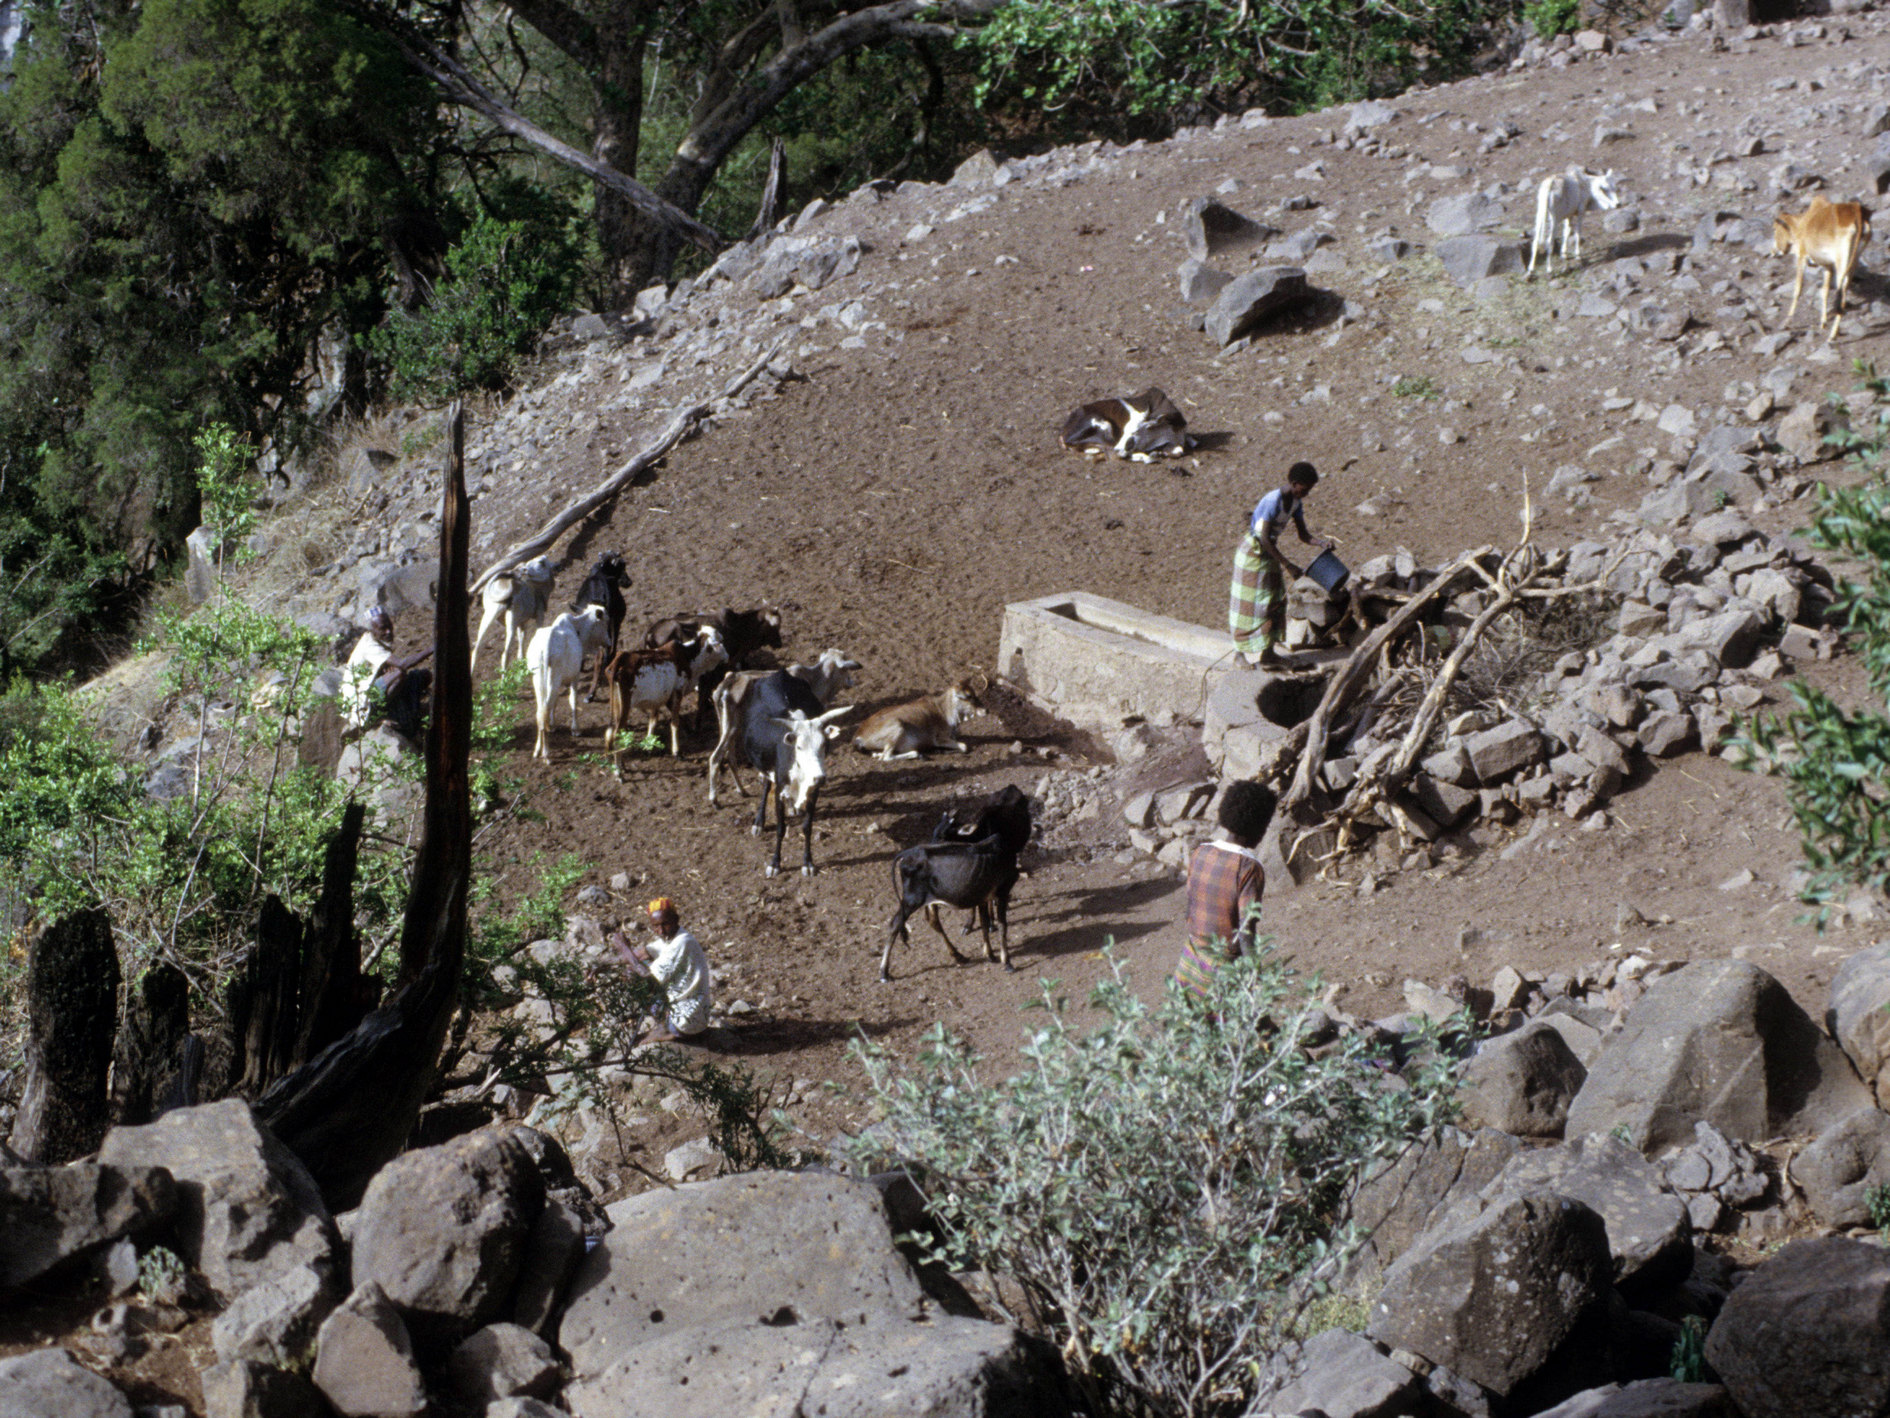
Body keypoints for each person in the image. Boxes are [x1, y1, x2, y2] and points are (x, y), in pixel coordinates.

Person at [1172, 780, 1277, 1002]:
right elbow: (1246, 930)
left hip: (1189, 962)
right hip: (1222, 972)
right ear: (1259, 826)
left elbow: (1190, 908)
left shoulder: (1200, 852)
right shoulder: (1248, 867)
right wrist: (1255, 976)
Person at [1229, 461, 1332, 670]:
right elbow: (1264, 538)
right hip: (1253, 554)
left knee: (1274, 601)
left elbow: (1303, 535)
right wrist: (1287, 565)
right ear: (1294, 483)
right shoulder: (1272, 501)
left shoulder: (1295, 503)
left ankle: (1268, 654)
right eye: (1305, 488)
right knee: (1248, 604)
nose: (1307, 493)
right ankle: (1239, 655)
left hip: (1268, 554)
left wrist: (1321, 543)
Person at [614, 897, 714, 1042]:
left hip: (686, 1022)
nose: (660, 931)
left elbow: (646, 977)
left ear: (676, 920)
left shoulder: (682, 942)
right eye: (655, 926)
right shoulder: (669, 939)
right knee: (634, 967)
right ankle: (665, 1024)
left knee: (636, 977)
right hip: (693, 1018)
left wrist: (624, 948)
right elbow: (640, 954)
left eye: (665, 924)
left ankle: (665, 1028)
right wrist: (599, 965)